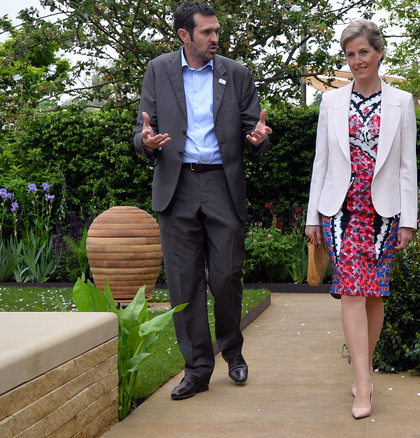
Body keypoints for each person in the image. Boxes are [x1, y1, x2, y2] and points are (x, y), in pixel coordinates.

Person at [133, 1, 271, 401]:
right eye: (207, 32)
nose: (215, 38)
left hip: (222, 186)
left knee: (226, 275)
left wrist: (260, 138)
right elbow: (143, 129)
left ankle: (232, 349)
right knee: (184, 284)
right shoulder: (159, 70)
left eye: (216, 31)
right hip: (177, 188)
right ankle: (197, 368)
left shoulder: (237, 73)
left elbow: (253, 128)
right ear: (184, 35)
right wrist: (146, 141)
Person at [305, 19, 417, 419]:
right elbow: (322, 161)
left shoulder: (402, 101)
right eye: (350, 54)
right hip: (340, 210)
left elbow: (408, 165)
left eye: (363, 52)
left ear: (379, 52)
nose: (356, 61)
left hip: (384, 212)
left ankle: (363, 371)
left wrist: (409, 220)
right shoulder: (331, 102)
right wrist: (311, 217)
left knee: (374, 295)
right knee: (353, 290)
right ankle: (365, 383)